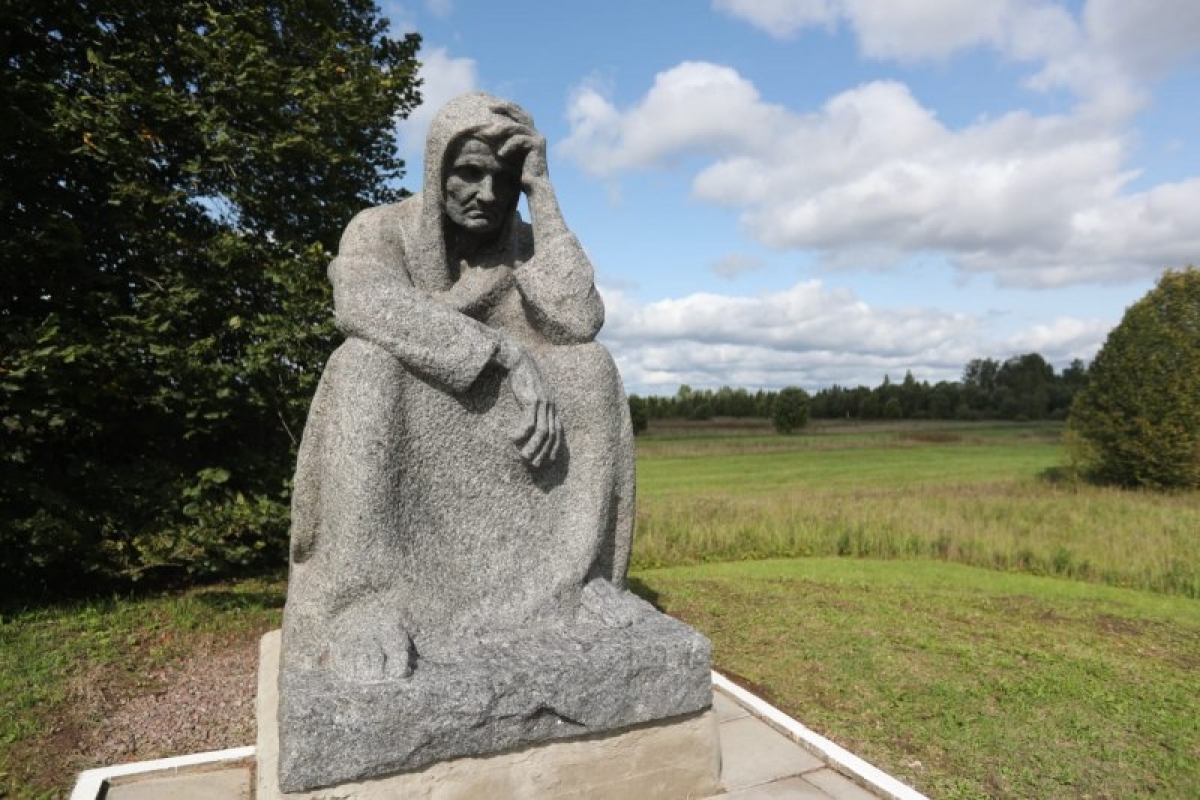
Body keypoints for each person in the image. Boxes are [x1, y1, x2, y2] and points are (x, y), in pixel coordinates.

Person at [282, 92, 639, 682]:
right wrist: (503, 353)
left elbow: (578, 320)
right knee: (363, 364)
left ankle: (578, 582)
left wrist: (543, 196)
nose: (488, 194)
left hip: (504, 423)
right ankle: (362, 602)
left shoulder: (525, 244)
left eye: (505, 180)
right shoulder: (379, 229)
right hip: (412, 411)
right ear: (437, 168)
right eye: (469, 172)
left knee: (591, 368)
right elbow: (364, 303)